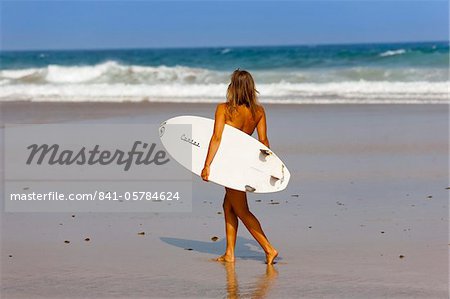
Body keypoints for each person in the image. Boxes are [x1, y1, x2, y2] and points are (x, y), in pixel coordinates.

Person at [201, 69, 278, 265]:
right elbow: (263, 142)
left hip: (229, 165)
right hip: (246, 164)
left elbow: (216, 138)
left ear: (232, 87)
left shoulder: (224, 109)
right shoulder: (258, 111)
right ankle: (229, 253)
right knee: (228, 206)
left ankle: (269, 249)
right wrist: (263, 168)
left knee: (242, 211)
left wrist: (207, 165)